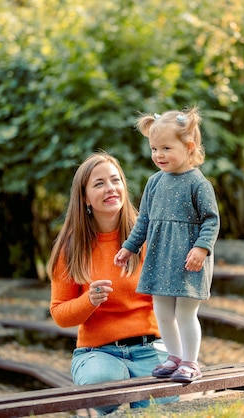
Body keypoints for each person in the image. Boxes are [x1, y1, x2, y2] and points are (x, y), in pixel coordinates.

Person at [48, 151, 175, 416]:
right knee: (101, 383)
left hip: (150, 347)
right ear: (84, 197)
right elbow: (59, 313)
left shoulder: (148, 236)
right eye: (99, 183)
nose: (111, 188)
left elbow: (169, 298)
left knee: (162, 409)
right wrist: (88, 301)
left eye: (115, 180)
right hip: (99, 354)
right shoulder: (71, 248)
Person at [114, 107, 220, 383]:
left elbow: (211, 220)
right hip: (160, 257)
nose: (158, 155)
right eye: (153, 148)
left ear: (189, 147)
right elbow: (144, 220)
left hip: (188, 259)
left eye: (166, 148)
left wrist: (201, 247)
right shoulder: (154, 182)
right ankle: (173, 357)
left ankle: (190, 362)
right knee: (161, 310)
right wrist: (129, 247)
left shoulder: (199, 184)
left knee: (185, 312)